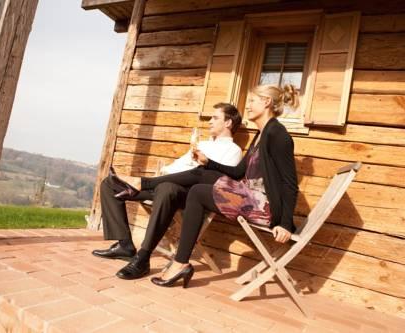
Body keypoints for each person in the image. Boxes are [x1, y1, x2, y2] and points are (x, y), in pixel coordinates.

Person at [128, 84, 300, 288]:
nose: (249, 106)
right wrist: (208, 161)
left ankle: (179, 261)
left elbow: (290, 183)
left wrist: (286, 224)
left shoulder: (277, 134)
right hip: (249, 195)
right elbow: (238, 172)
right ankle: (144, 184)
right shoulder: (261, 134)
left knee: (198, 192)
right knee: (203, 173)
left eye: (253, 101)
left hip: (264, 207)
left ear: (266, 102)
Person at [92, 103, 243, 280]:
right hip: (165, 185)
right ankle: (125, 245)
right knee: (110, 184)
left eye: (215, 118)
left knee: (166, 188)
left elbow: (217, 182)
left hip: (187, 195)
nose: (209, 121)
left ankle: (143, 258)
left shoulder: (233, 151)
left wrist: (203, 163)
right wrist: (164, 172)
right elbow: (179, 164)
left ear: (228, 123)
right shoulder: (201, 144)